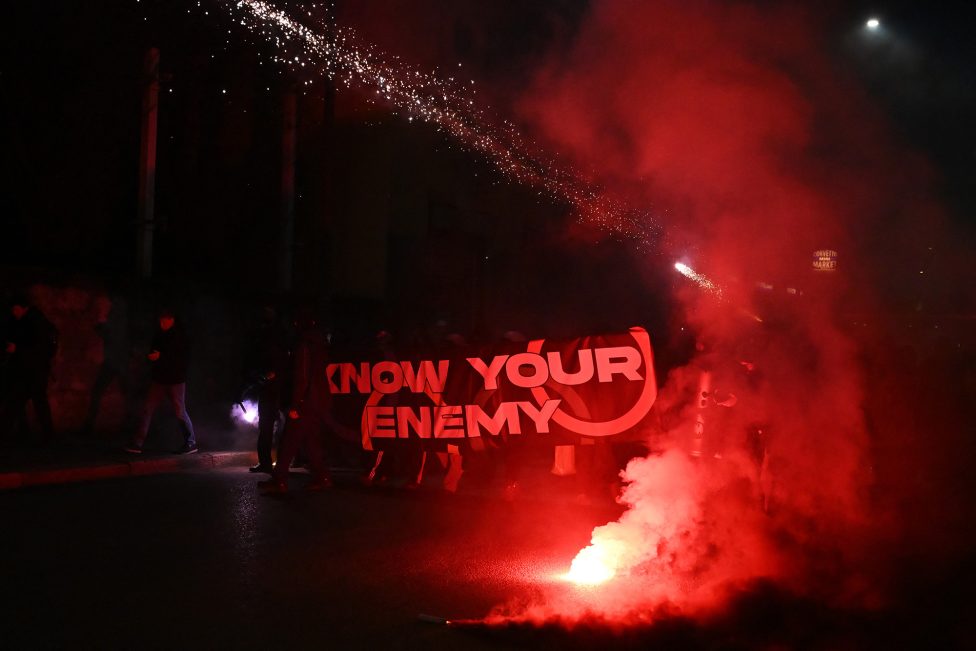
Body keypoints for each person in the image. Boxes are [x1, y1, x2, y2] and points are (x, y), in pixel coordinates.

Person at [258, 308, 333, 494]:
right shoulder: (320, 344)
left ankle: (280, 480)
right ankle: (322, 477)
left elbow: (302, 377)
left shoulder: (304, 345)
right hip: (318, 400)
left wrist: (296, 404)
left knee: (289, 440)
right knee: (311, 441)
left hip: (305, 402)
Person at [126, 308, 197, 454]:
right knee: (147, 409)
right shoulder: (159, 335)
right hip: (159, 379)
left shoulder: (180, 337)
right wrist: (152, 358)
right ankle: (137, 443)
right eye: (161, 320)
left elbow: (180, 359)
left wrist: (161, 357)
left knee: (180, 412)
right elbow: (154, 352)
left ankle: (191, 442)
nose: (162, 323)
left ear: (172, 320)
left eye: (165, 320)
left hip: (175, 380)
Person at [1, 292, 58, 443]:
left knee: (35, 402)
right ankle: (44, 435)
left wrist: (17, 349)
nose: (13, 313)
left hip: (36, 371)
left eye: (15, 309)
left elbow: (39, 348)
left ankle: (48, 436)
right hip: (27, 370)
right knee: (18, 402)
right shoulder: (24, 321)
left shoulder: (36, 321)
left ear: (23, 308)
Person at [244, 305, 288, 474]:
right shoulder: (275, 335)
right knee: (273, 424)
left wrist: (268, 374)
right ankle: (273, 462)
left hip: (273, 386)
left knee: (270, 424)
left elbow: (270, 358)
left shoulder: (268, 336)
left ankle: (270, 462)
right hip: (273, 386)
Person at [82, 293, 131, 436]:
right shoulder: (119, 318)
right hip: (115, 361)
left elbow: (111, 335)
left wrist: (100, 325)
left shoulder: (117, 318)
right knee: (124, 394)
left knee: (124, 394)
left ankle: (130, 424)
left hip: (116, 362)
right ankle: (89, 425)